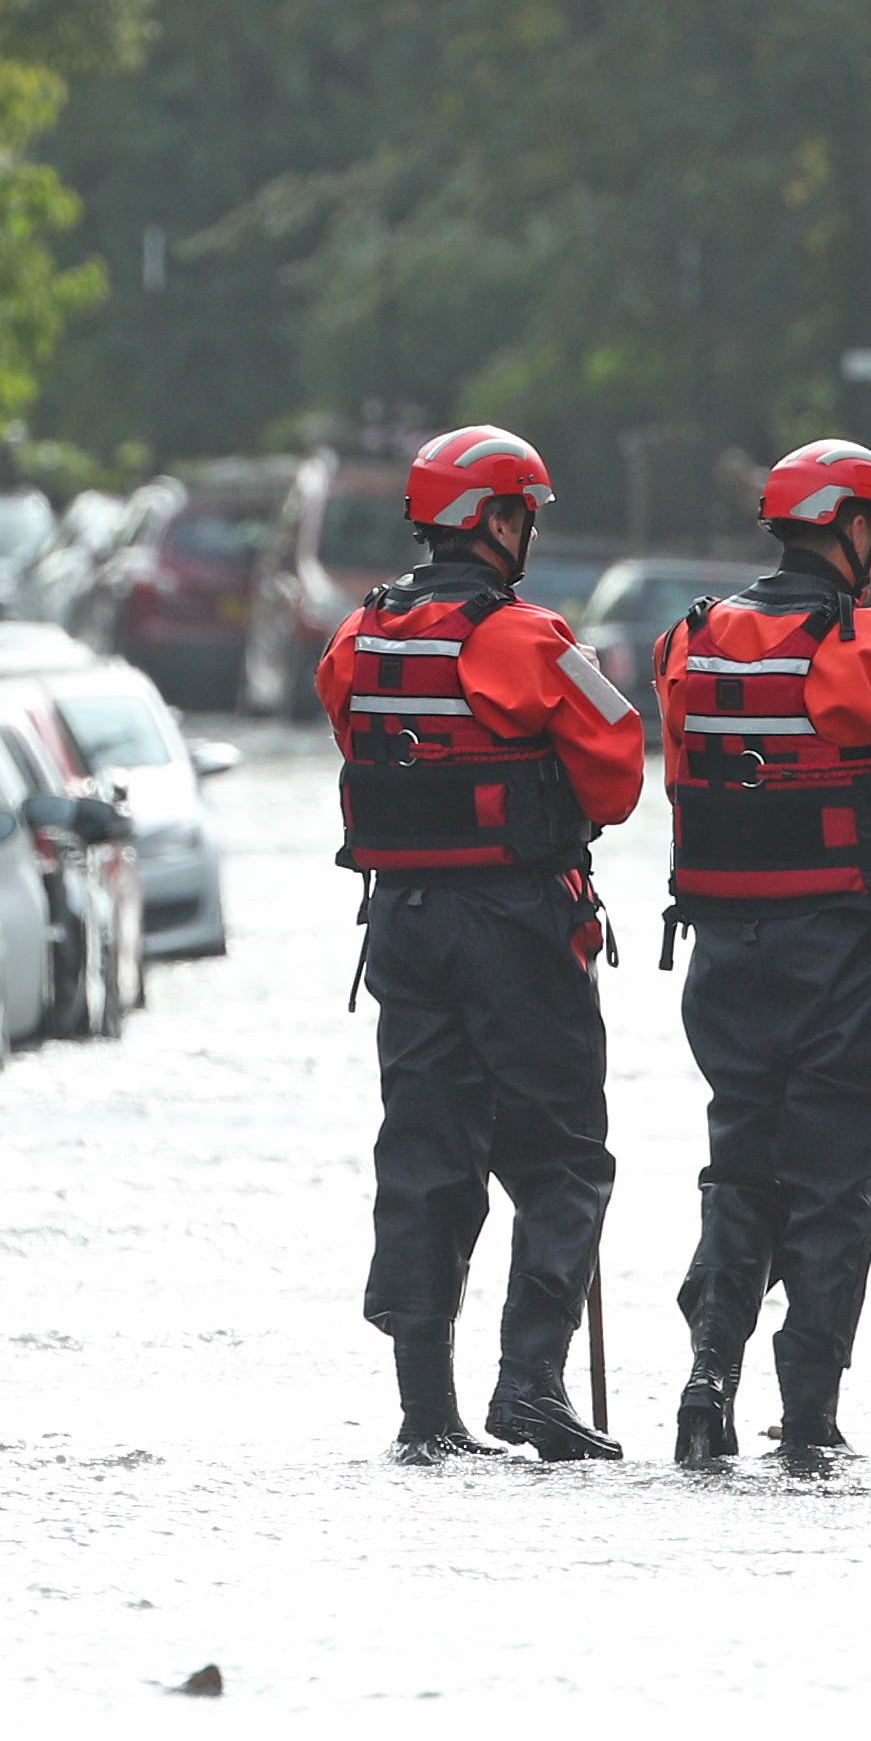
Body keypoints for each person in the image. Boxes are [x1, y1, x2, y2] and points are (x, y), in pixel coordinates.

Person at [650, 438, 871, 1471]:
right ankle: (808, 1414)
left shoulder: (687, 641)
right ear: (848, 529)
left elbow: (679, 777)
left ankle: (709, 1374)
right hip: (841, 955)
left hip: (721, 953)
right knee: (833, 1185)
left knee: (739, 1165)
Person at [315, 424, 645, 1465]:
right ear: (492, 520)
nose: (529, 534)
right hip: (515, 923)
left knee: (425, 1151)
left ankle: (426, 1411)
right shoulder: (533, 639)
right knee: (563, 1158)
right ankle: (532, 1383)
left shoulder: (356, 635)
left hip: (403, 921)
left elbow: (351, 731)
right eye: (524, 515)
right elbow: (619, 771)